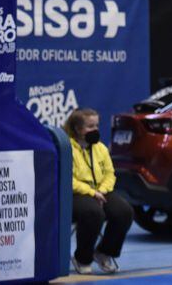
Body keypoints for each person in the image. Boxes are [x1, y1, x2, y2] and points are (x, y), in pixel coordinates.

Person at [66, 108, 133, 275]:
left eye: (96, 125)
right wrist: (91, 192)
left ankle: (104, 253)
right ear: (77, 129)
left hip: (101, 191)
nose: (95, 129)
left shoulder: (101, 148)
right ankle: (82, 258)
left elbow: (110, 174)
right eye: (90, 126)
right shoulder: (67, 149)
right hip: (76, 194)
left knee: (124, 212)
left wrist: (102, 191)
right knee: (93, 213)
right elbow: (68, 179)